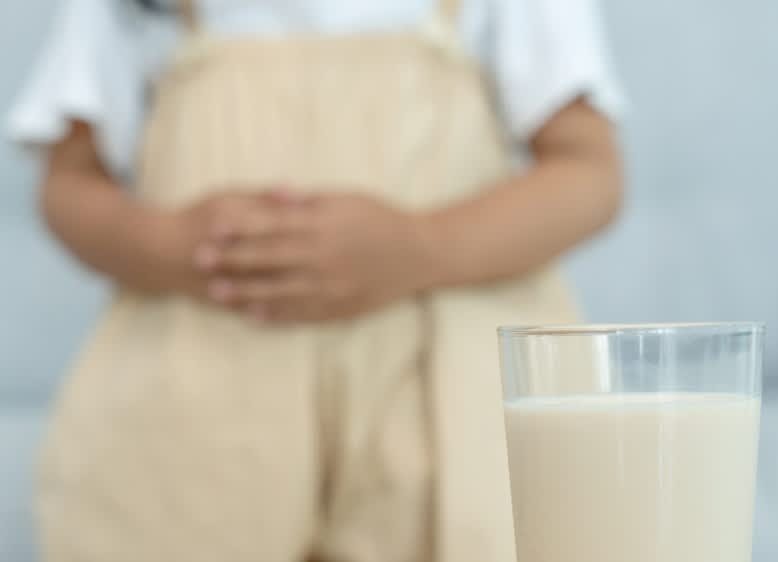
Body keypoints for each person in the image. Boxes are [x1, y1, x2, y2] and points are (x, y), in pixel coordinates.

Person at [7, 0, 624, 560]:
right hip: (197, 406)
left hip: (442, 401)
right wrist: (166, 244)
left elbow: (589, 172)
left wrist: (423, 246)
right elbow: (67, 181)